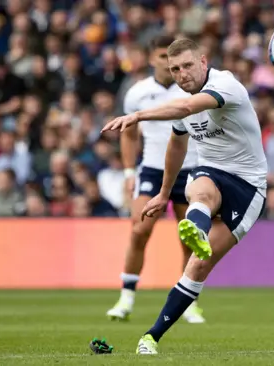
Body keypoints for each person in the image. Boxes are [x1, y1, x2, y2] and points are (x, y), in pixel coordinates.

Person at [102, 38, 267, 354]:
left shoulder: (226, 84)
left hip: (248, 185)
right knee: (200, 190)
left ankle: (196, 233)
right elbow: (177, 145)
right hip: (210, 172)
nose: (181, 73)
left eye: (187, 65)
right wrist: (164, 193)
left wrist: (139, 116)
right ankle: (149, 338)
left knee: (199, 268)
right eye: (175, 68)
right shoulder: (179, 101)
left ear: (203, 62)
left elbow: (189, 107)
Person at [105, 35, 205, 324]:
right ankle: (126, 298)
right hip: (151, 169)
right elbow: (130, 133)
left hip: (189, 168)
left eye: (170, 58)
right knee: (139, 230)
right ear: (151, 59)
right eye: (162, 57)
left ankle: (189, 303)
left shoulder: (190, 90)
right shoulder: (137, 92)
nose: (166, 62)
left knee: (190, 238)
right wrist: (127, 172)